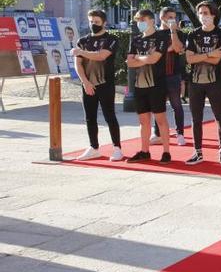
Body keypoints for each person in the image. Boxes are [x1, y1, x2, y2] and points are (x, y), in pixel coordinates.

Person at [184, 1, 221, 165]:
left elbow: (218, 58)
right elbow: (189, 58)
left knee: (220, 117)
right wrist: (209, 53)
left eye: (206, 13)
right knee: (196, 119)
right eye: (200, 13)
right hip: (195, 82)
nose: (203, 16)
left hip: (215, 82)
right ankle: (198, 152)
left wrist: (202, 56)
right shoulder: (193, 34)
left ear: (213, 15)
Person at [72, 9, 122, 161]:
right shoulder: (83, 40)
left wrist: (80, 52)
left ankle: (117, 148)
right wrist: (85, 82)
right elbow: (78, 64)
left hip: (105, 84)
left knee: (109, 116)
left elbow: (101, 56)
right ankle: (94, 147)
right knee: (90, 117)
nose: (93, 24)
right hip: (88, 85)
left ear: (104, 23)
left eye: (97, 22)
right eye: (91, 22)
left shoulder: (111, 39)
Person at [126, 9, 172, 164]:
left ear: (152, 20)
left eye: (142, 19)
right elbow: (130, 62)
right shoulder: (136, 39)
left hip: (157, 84)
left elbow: (154, 59)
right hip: (140, 85)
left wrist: (139, 57)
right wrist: (143, 58)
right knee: (143, 120)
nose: (140, 23)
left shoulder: (162, 37)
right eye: (138, 20)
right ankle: (144, 151)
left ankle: (166, 152)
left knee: (160, 119)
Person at [149, 8, 186, 147]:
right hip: (158, 76)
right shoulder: (154, 34)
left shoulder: (178, 33)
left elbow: (177, 48)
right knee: (158, 106)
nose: (173, 20)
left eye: (174, 17)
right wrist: (166, 48)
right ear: (162, 17)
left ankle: (180, 133)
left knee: (176, 105)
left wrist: (173, 32)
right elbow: (153, 51)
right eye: (170, 17)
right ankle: (157, 133)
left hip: (174, 75)